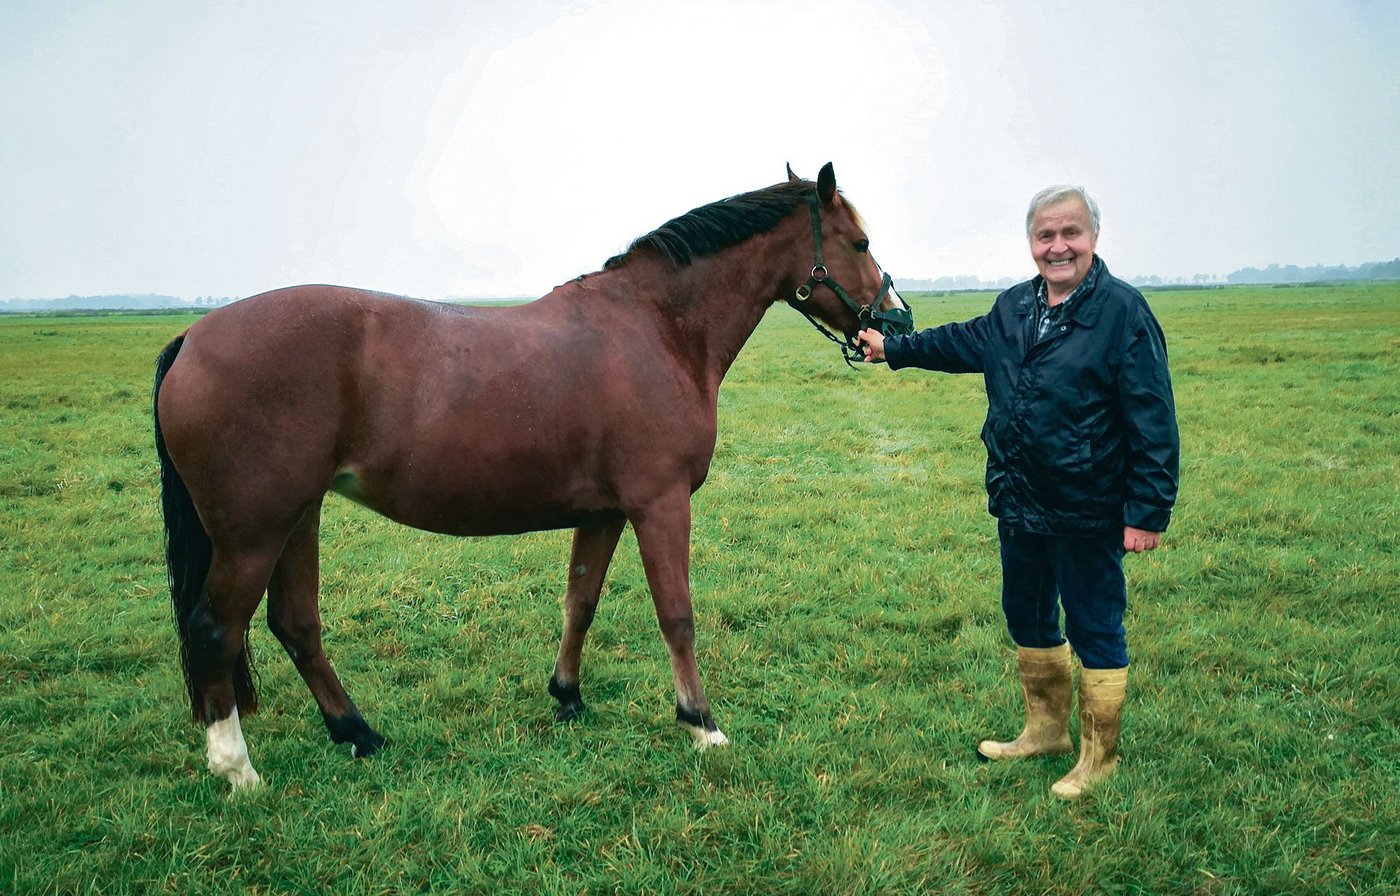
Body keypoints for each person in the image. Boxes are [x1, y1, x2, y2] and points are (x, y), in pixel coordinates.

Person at [857, 185, 1179, 799]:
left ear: (1093, 239)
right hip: (1019, 498)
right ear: (1031, 243)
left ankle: (1098, 758)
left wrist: (1146, 512)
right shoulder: (1013, 308)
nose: (1058, 247)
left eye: (1070, 234)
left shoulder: (1122, 313)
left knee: (1094, 624)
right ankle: (1045, 731)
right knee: (1026, 615)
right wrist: (891, 349)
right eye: (1045, 236)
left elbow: (1153, 419)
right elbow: (957, 343)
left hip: (1087, 505)